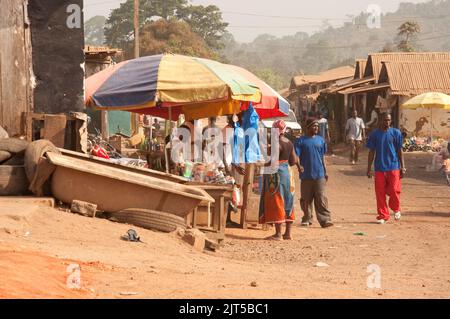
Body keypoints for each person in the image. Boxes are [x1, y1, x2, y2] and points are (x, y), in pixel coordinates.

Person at [259, 120, 298, 240]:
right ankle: (288, 233)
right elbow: (293, 161)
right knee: (288, 200)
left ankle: (278, 234)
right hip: (288, 173)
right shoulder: (289, 142)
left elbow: (272, 161)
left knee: (277, 200)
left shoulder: (276, 143)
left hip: (276, 174)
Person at [366, 113, 406, 224]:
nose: (387, 122)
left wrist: (403, 167)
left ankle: (396, 208)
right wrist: (369, 168)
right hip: (379, 167)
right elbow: (371, 152)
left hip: (393, 166)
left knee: (394, 189)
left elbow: (400, 151)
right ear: (380, 120)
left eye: (388, 120)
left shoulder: (396, 133)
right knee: (380, 192)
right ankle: (383, 215)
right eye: (385, 120)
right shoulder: (374, 134)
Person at [294, 119, 334, 228]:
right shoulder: (300, 141)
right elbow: (296, 156)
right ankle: (307, 218)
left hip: (319, 174)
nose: (316, 128)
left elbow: (322, 157)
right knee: (306, 199)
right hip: (306, 175)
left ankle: (325, 220)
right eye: (313, 126)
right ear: (307, 127)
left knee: (321, 197)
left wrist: (325, 171)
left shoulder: (321, 140)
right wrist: (299, 166)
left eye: (317, 126)